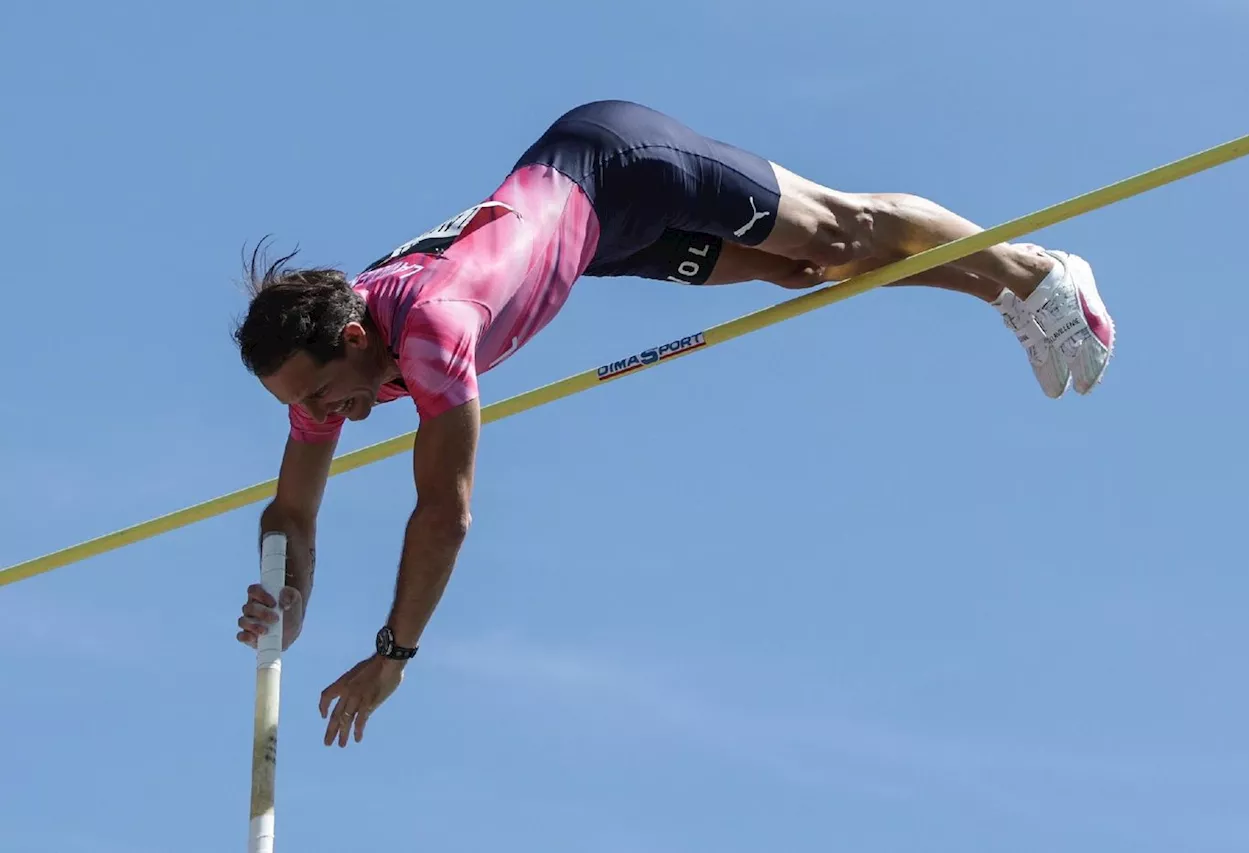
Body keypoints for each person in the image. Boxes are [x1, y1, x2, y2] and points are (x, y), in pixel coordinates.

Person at [230, 99, 1115, 748]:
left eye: (317, 396)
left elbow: (445, 513)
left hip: (618, 164)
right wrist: (291, 590)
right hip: (601, 239)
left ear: (352, 335)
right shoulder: (343, 369)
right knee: (798, 274)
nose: (320, 418)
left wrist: (393, 654)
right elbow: (292, 510)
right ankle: (1011, 286)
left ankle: (1035, 274)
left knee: (842, 233)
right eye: (300, 408)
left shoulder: (430, 331)